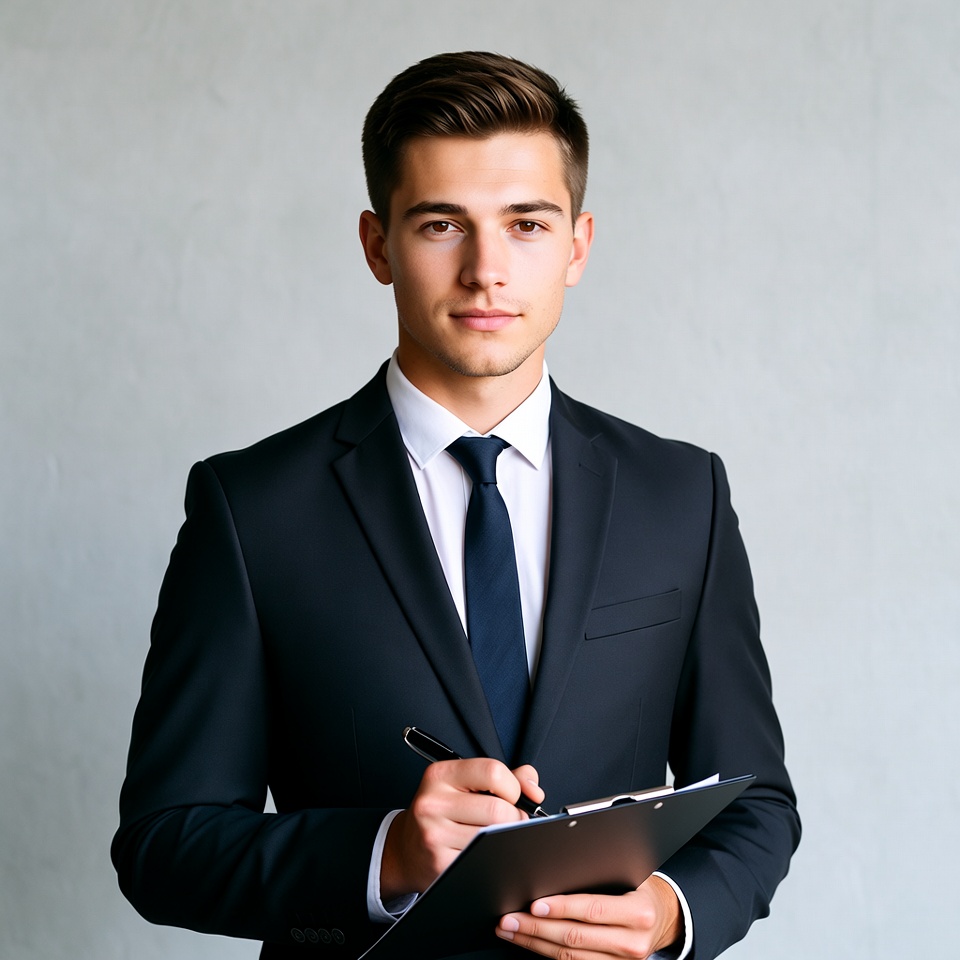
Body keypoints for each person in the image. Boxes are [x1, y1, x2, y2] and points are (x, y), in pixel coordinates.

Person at [112, 51, 800, 960]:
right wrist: (383, 853)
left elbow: (756, 800)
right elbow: (164, 845)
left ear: (578, 246)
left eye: (527, 224)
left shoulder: (684, 494)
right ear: (376, 244)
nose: (486, 270)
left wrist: (675, 909)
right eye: (442, 224)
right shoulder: (250, 509)